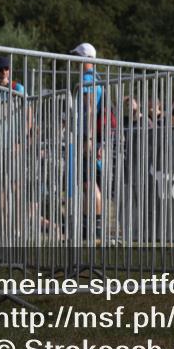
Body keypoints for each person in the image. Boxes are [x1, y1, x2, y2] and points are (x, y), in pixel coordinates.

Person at [72, 42, 105, 241]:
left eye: (77, 57)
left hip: (89, 138)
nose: (75, 61)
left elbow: (91, 110)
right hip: (93, 137)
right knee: (89, 182)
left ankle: (95, 227)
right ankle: (89, 226)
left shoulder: (87, 79)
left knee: (90, 183)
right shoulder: (98, 78)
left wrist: (89, 138)